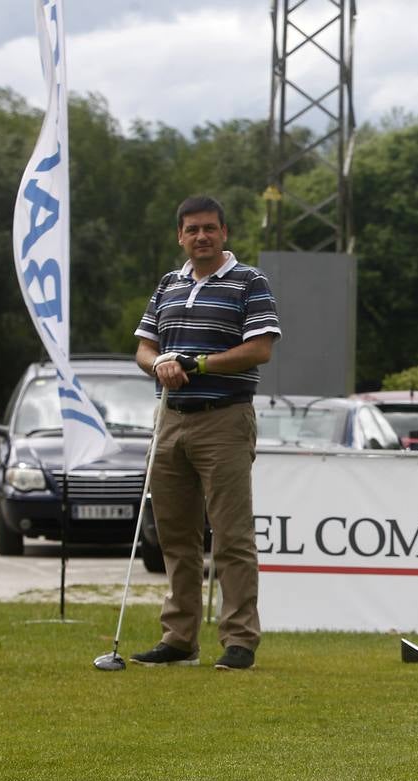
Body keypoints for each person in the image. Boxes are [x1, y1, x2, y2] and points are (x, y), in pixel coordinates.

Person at [130, 195, 280, 670]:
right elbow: (143, 348)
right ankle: (179, 637)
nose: (201, 237)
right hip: (170, 418)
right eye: (192, 229)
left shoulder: (249, 282)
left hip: (225, 419)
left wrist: (194, 363)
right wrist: (160, 364)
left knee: (231, 536)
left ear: (224, 232)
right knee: (176, 536)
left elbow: (260, 349)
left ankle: (239, 639)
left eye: (210, 229)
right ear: (180, 235)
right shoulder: (168, 284)